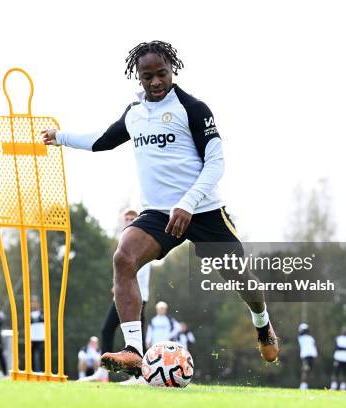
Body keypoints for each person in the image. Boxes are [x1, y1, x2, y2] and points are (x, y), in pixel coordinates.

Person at [41, 40, 278, 378]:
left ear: (172, 71)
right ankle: (134, 350)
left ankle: (262, 325)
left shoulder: (193, 108)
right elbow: (102, 140)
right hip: (157, 213)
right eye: (147, 76)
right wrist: (60, 136)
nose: (155, 82)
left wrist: (188, 202)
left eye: (161, 74)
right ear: (138, 77)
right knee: (124, 258)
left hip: (205, 210)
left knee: (242, 280)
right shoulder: (135, 114)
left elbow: (216, 162)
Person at [101, 209, 151, 355]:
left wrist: (118, 285)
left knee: (135, 338)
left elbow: (135, 271)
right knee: (108, 331)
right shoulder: (124, 242)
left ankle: (142, 371)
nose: (128, 222)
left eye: (132, 219)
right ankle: (104, 372)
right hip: (122, 296)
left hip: (135, 296)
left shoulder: (141, 242)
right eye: (126, 219)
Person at [297, 323, 318, 390]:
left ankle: (304, 385)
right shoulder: (308, 338)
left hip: (307, 355)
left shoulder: (301, 338)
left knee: (305, 370)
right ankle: (304, 385)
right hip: (310, 355)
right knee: (306, 370)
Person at [30, 295, 45, 372]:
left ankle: (42, 371)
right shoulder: (28, 313)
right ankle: (31, 371)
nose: (34, 304)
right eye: (33, 302)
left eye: (36, 302)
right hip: (32, 338)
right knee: (30, 356)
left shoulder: (43, 312)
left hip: (41, 338)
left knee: (41, 355)